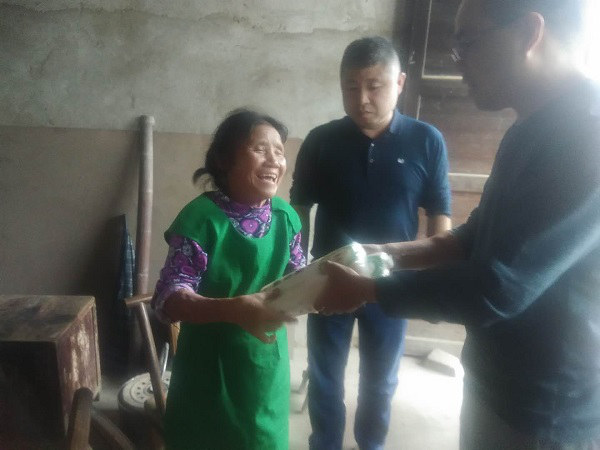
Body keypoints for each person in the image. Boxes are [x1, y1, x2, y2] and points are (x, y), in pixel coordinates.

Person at [314, 1, 600, 449]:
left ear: (528, 33)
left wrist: (370, 288)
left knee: (379, 380)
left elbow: (499, 287)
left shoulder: (587, 136)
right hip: (498, 381)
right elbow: (478, 234)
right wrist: (388, 254)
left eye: (467, 42)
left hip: (546, 407)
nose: (457, 60)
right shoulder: (529, 129)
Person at [290, 36, 452, 450]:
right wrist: (295, 271)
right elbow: (298, 208)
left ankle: (371, 444)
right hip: (328, 278)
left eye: (374, 86)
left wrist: (432, 277)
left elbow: (439, 212)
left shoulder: (427, 140)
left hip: (391, 283)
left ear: (399, 83)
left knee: (380, 379)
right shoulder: (321, 141)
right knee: (325, 375)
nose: (361, 98)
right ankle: (325, 443)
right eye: (350, 86)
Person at [151, 109, 305, 450]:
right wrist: (234, 309)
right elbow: (168, 299)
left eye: (279, 151)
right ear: (224, 159)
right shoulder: (201, 220)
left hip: (265, 367)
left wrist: (332, 281)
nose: (274, 160)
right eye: (260, 149)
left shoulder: (286, 218)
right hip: (209, 369)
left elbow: (300, 280)